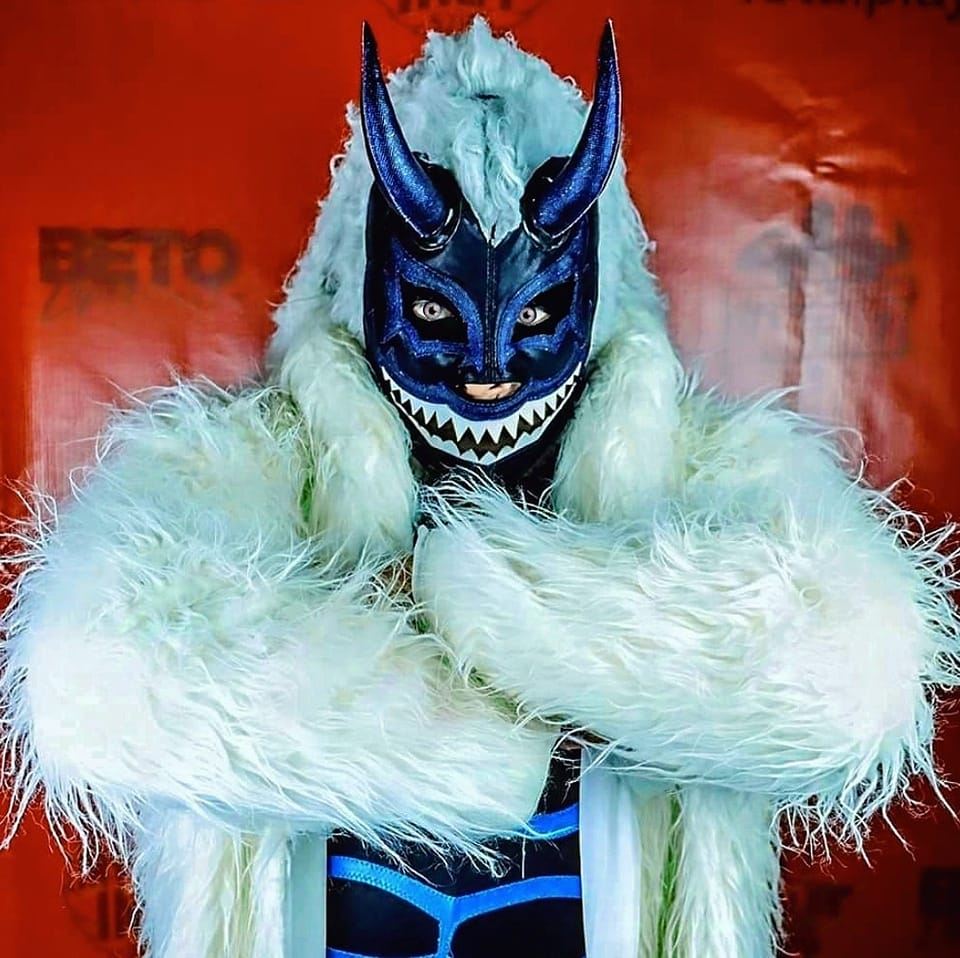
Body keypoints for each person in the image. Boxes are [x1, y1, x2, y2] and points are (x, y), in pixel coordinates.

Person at [2, 17, 956, 958]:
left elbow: (855, 672)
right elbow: (99, 672)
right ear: (365, 276)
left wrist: (498, 605)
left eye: (536, 316)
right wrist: (476, 731)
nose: (490, 375)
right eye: (432, 309)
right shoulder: (255, 458)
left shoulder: (696, 464)